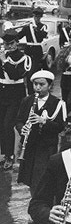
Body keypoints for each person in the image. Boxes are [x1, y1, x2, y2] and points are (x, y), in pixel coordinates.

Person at [16, 70, 66, 202]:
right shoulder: (27, 101)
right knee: (31, 178)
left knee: (43, 177)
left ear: (50, 86)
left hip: (47, 147)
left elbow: (60, 126)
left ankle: (45, 205)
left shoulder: (57, 103)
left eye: (41, 84)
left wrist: (43, 121)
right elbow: (19, 120)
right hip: (31, 146)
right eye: (35, 84)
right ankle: (36, 205)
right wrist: (22, 129)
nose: (37, 88)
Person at [0, 29, 32, 170]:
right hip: (2, 93)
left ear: (17, 43)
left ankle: (10, 156)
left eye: (12, 43)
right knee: (1, 125)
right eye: (7, 44)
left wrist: (4, 61)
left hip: (15, 95)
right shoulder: (3, 55)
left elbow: (15, 75)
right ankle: (4, 153)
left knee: (8, 125)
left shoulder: (24, 58)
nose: (10, 46)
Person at [18, 8, 48, 93]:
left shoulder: (43, 26)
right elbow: (19, 36)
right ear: (33, 16)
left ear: (41, 17)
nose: (36, 19)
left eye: (38, 17)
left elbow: (41, 37)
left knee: (35, 71)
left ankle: (37, 90)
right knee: (28, 71)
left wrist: (35, 28)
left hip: (37, 50)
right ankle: (30, 92)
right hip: (28, 50)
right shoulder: (27, 26)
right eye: (35, 16)